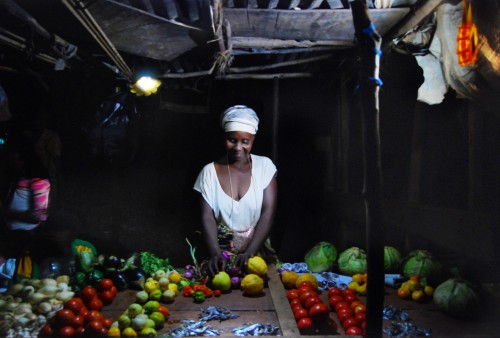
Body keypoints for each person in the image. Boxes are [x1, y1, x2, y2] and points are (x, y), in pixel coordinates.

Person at [193, 105, 278, 275]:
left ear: (253, 140)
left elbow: (269, 212)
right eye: (232, 140)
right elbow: (206, 217)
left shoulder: (264, 167)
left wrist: (250, 253)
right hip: (219, 255)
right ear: (224, 137)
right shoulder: (209, 172)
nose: (238, 147)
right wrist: (216, 254)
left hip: (257, 252)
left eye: (245, 141)